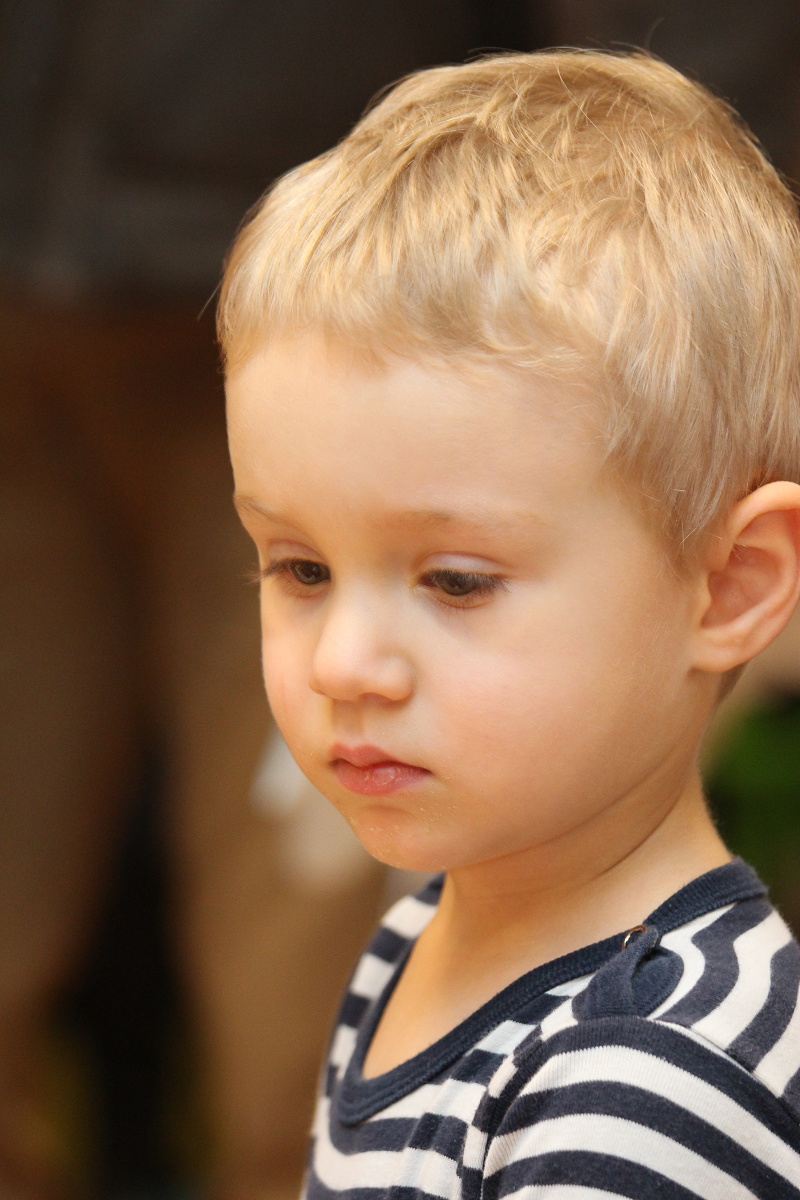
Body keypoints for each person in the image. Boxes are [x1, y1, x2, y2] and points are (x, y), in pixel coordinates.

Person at [220, 49, 800, 1196]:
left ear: (728, 585)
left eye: (453, 582)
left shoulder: (648, 1083)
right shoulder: (427, 931)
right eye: (300, 567)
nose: (344, 663)